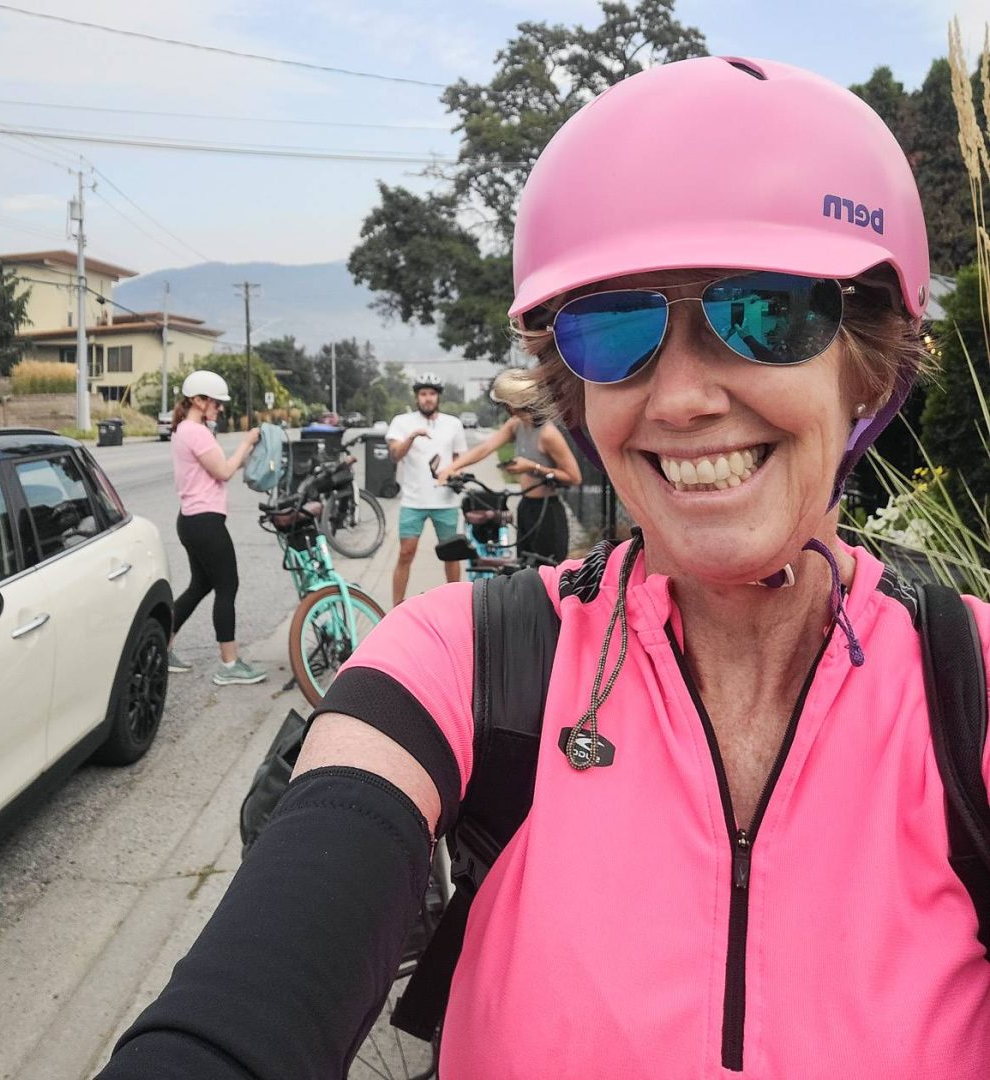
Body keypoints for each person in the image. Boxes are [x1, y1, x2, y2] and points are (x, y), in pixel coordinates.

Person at [98, 57, 990, 1078]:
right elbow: (267, 967)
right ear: (573, 385)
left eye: (766, 311)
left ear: (866, 364)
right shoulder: (473, 657)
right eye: (614, 329)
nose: (684, 398)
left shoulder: (966, 691)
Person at [167, 369, 266, 686]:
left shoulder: (186, 429)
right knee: (227, 586)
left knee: (200, 586)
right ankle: (230, 664)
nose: (220, 408)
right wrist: (246, 443)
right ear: (198, 400)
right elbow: (223, 471)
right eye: (216, 402)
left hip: (192, 521)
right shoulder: (194, 431)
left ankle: (161, 647)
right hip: (205, 523)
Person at [436, 367, 582, 563]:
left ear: (512, 405)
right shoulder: (517, 424)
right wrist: (451, 468)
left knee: (547, 569)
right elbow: (487, 447)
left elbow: (574, 476)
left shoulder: (547, 434)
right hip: (526, 506)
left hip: (547, 512)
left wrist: (532, 467)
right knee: (524, 567)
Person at [385, 373, 468, 605]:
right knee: (405, 554)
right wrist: (412, 436)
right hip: (413, 500)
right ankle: (396, 608)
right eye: (423, 394)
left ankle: (457, 606)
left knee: (452, 556)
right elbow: (395, 455)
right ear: (416, 397)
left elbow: (458, 459)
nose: (427, 398)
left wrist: (455, 475)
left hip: (446, 501)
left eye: (432, 394)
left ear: (438, 397)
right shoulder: (402, 422)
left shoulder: (453, 424)